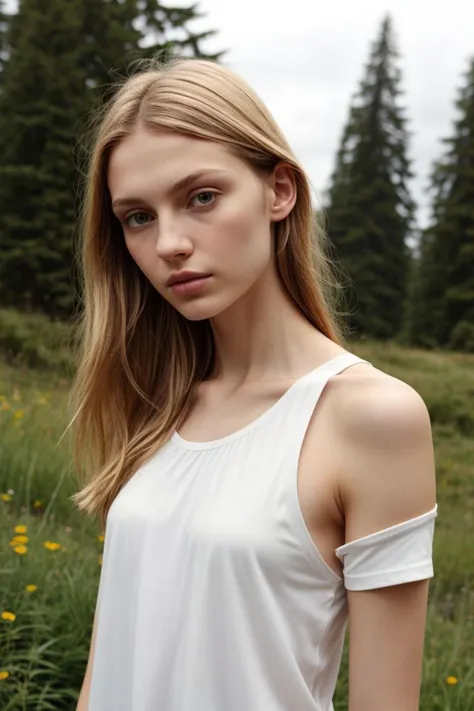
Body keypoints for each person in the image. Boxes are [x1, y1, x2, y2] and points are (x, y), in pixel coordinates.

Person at [71, 57, 437, 711]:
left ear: (280, 191)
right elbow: (109, 664)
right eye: (137, 217)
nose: (170, 243)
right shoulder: (159, 401)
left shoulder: (371, 417)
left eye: (201, 197)